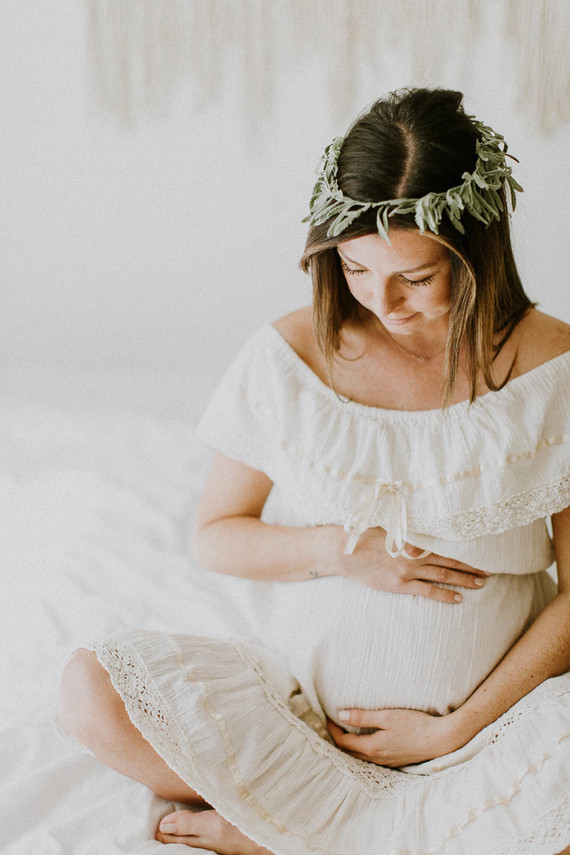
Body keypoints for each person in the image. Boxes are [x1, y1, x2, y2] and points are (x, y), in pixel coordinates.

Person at [58, 88, 570, 854]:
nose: (380, 299)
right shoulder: (290, 355)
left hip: (489, 732)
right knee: (90, 688)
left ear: (476, 248)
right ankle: (321, 819)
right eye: (357, 268)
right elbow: (216, 536)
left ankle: (284, 835)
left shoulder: (552, 369)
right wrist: (341, 550)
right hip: (307, 728)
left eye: (416, 277)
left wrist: (455, 726)